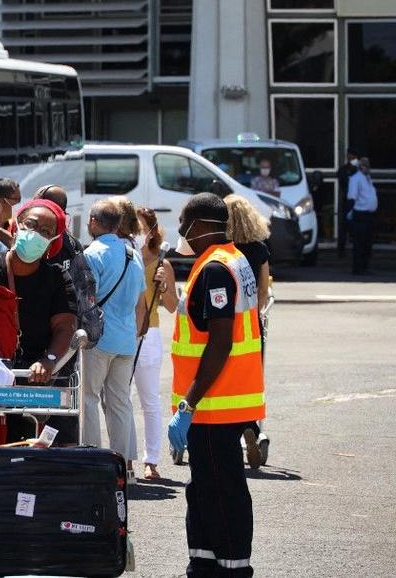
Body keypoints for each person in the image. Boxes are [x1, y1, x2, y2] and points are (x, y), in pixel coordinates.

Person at [167, 192, 263, 578]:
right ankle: (204, 562)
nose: (179, 231)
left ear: (202, 226)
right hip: (220, 402)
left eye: (184, 223)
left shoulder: (216, 270)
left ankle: (231, 569)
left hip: (214, 405)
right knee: (205, 488)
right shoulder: (232, 260)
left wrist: (187, 406)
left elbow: (221, 342)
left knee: (222, 491)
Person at [0, 199, 77, 407]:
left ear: (53, 240)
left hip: (34, 382)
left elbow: (65, 326)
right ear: (16, 225)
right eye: (31, 224)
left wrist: (49, 360)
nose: (36, 234)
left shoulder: (57, 278)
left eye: (46, 231)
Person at [82, 199, 146, 481]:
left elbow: (87, 299)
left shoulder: (92, 254)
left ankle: (94, 463)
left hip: (99, 339)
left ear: (94, 222)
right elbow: (140, 301)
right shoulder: (134, 254)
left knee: (89, 398)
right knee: (121, 402)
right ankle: (125, 468)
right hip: (127, 339)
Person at [223, 194, 272, 469]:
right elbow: (263, 291)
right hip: (250, 324)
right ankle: (250, 426)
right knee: (249, 382)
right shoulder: (258, 249)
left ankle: (229, 430)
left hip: (224, 323)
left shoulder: (225, 250)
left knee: (223, 380)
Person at [131, 207, 178, 481]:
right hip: (124, 333)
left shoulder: (163, 263)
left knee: (149, 399)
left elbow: (172, 306)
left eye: (141, 228)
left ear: (152, 231)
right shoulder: (125, 258)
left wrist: (162, 287)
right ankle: (125, 457)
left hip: (149, 334)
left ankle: (152, 460)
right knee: (120, 400)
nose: (137, 233)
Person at [347, 157, 378, 276]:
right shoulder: (356, 179)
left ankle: (365, 266)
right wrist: (349, 213)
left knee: (367, 243)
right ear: (360, 167)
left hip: (369, 215)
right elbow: (352, 197)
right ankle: (358, 268)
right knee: (359, 243)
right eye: (365, 165)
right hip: (360, 215)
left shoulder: (367, 178)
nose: (368, 168)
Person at [336, 149, 360, 256]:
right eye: (349, 156)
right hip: (347, 201)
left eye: (353, 157)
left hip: (358, 201)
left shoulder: (359, 169)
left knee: (356, 226)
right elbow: (342, 180)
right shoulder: (343, 169)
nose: (351, 159)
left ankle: (357, 249)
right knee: (344, 226)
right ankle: (341, 250)